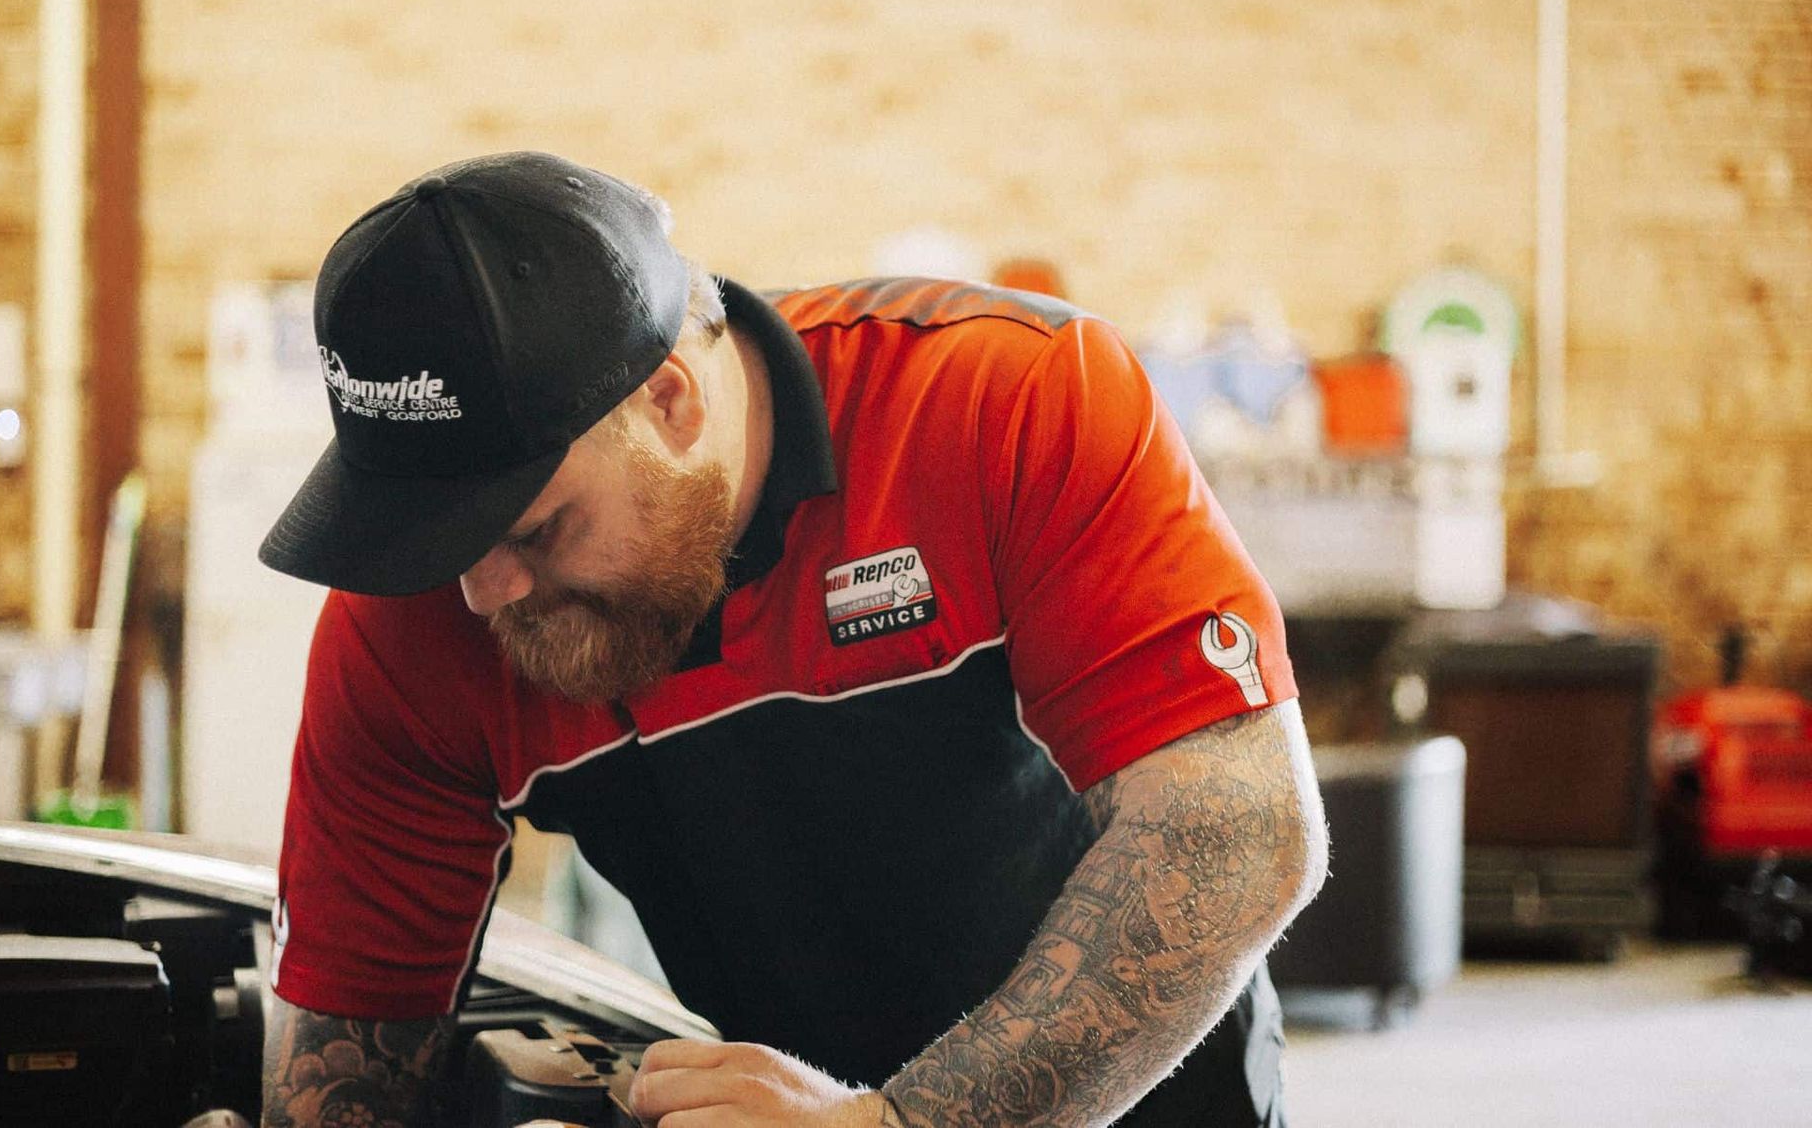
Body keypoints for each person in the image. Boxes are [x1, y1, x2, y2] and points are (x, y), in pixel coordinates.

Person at [257, 150, 1327, 1127]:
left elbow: (1235, 831)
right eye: (442, 541)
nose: (485, 592)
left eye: (532, 527)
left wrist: (900, 1125)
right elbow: (345, 1057)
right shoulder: (417, 615)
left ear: (671, 400)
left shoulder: (998, 404)